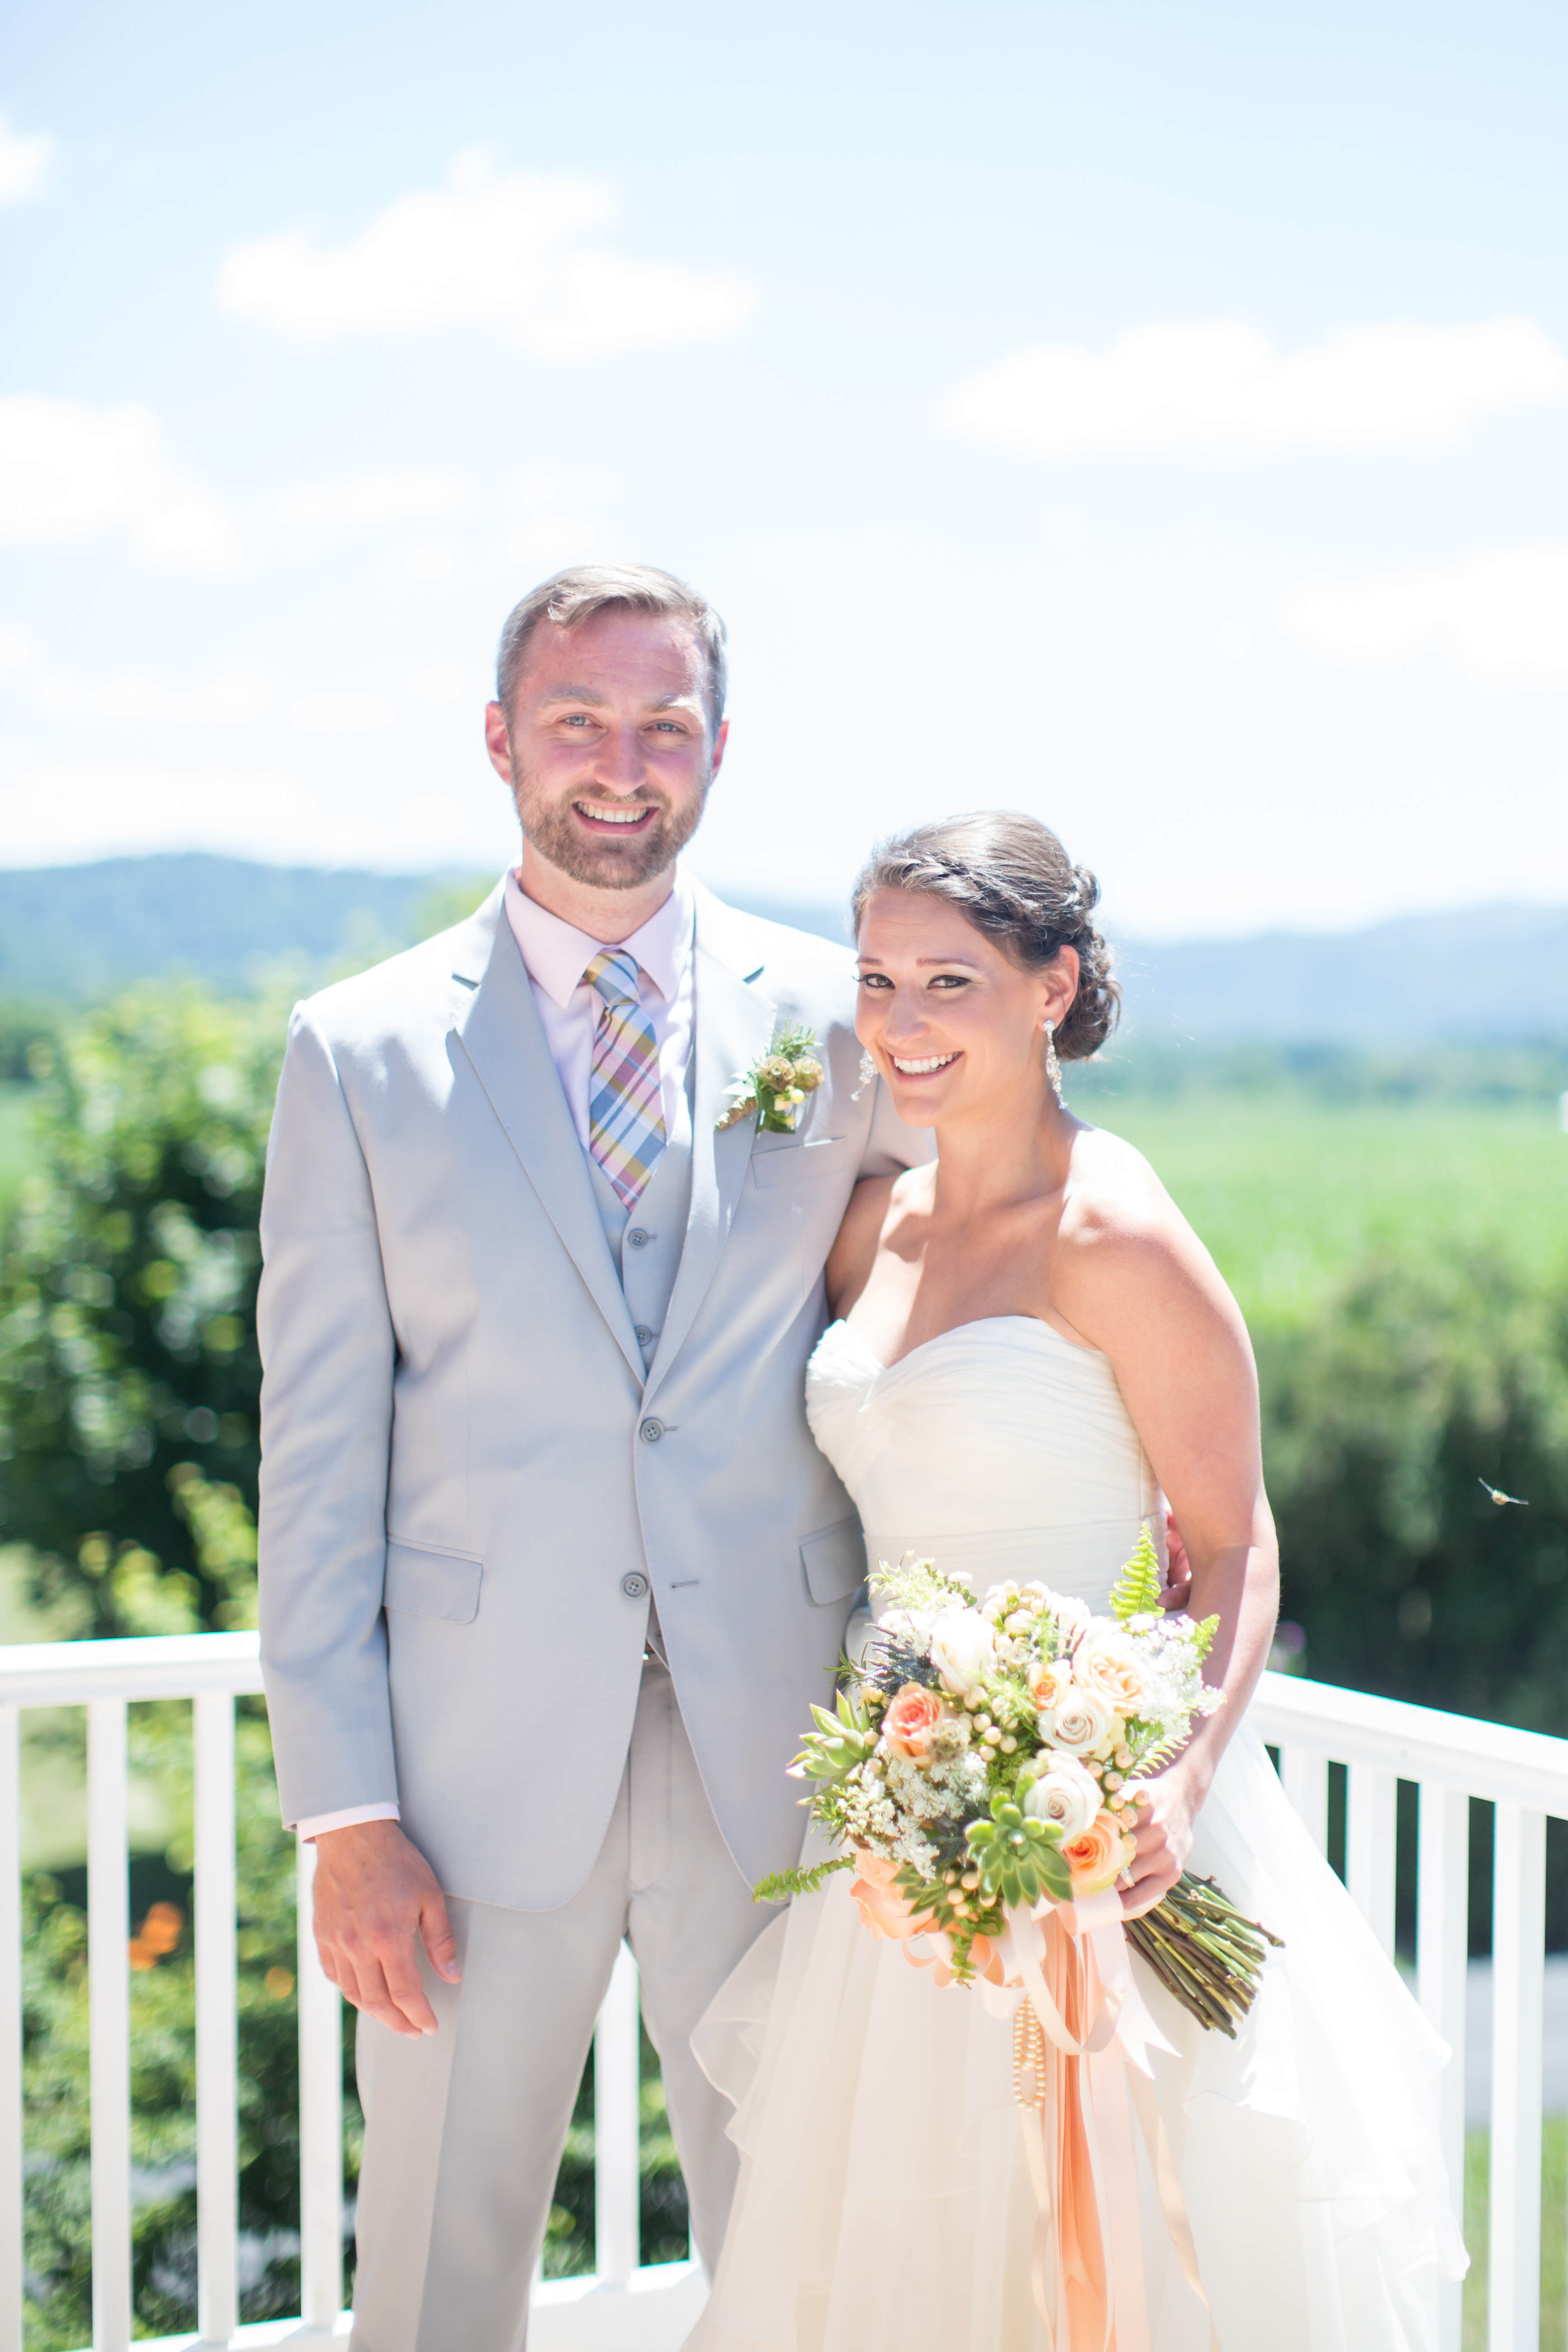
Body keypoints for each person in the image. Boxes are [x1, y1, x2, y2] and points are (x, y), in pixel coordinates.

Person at [255, 563, 930, 2352]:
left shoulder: (840, 1018)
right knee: (434, 2269)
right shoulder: (359, 1052)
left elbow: (960, 1289)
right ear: (500, 740)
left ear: (720, 746)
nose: (622, 766)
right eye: (578, 721)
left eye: (663, 724)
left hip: (786, 1751)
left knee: (806, 2261)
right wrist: (345, 1814)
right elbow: (313, 1463)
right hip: (464, 1779)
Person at [690, 812, 1465, 2351]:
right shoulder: (869, 1227)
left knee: (1123, 2237)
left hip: (1104, 1823)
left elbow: (1235, 1542)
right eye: (878, 979)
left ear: (1052, 987)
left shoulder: (1115, 1230)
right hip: (907, 1823)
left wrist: (1171, 1779)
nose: (902, 1021)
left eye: (951, 982)